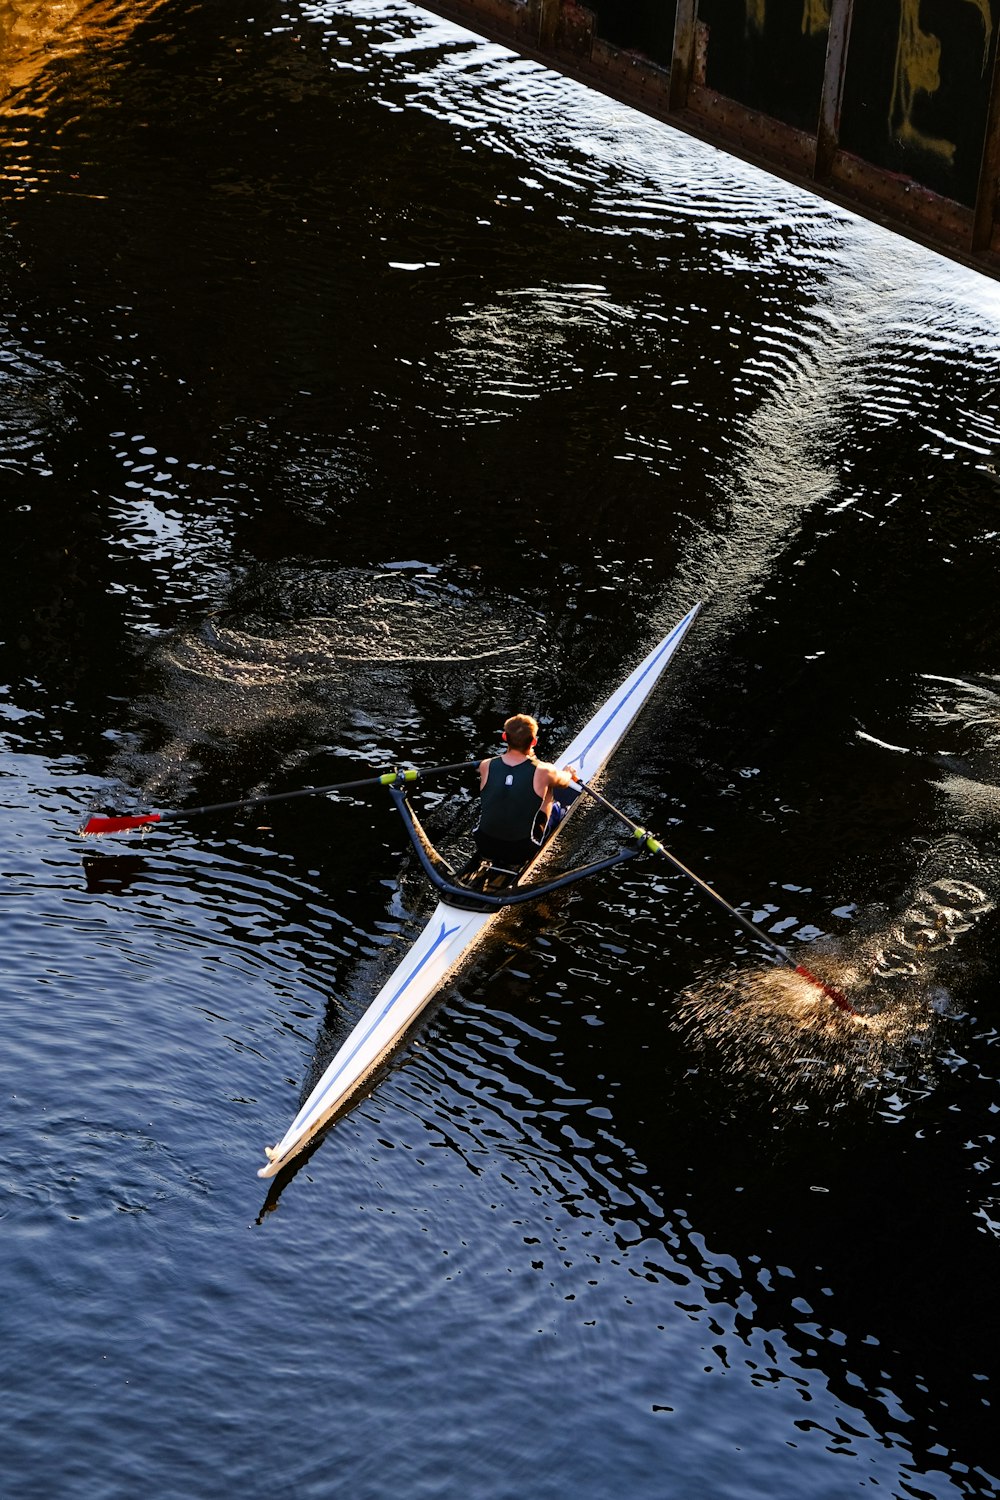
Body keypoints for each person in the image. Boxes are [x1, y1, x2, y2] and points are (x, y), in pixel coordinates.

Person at [474, 713, 577, 868]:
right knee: (548, 788)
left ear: (504, 737)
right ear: (534, 741)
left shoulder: (485, 765)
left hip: (484, 845)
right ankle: (557, 813)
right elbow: (564, 782)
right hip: (521, 851)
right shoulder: (544, 771)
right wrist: (569, 772)